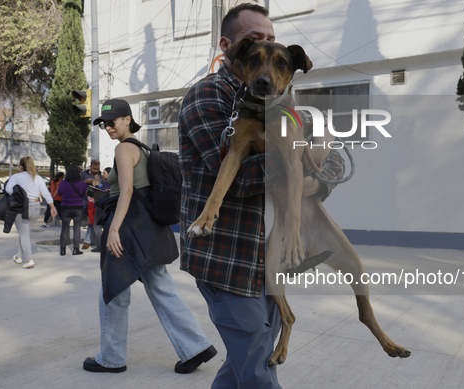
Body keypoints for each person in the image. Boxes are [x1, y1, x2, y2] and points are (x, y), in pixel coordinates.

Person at [178, 4, 344, 388]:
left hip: (267, 257)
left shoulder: (279, 102)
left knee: (242, 366)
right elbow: (237, 177)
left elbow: (329, 160)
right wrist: (303, 163)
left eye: (272, 42)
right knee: (257, 371)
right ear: (229, 47)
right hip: (228, 258)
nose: (266, 60)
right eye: (254, 45)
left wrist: (315, 172)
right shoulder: (208, 96)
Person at [83, 99, 216, 374]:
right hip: (149, 229)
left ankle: (111, 357)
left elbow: (128, 191)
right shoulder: (142, 149)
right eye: (104, 124)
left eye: (113, 121)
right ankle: (196, 347)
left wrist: (115, 229)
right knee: (162, 288)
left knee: (113, 291)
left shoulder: (123, 148)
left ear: (127, 119)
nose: (108, 127)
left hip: (129, 229)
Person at [6, 156, 57, 269]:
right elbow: (46, 194)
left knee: (24, 234)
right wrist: (52, 207)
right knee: (25, 233)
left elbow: (8, 190)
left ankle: (29, 259)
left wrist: (20, 194)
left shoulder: (16, 177)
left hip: (22, 207)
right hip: (35, 207)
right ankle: (19, 256)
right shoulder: (38, 178)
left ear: (20, 166)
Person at [57, 166, 88, 256]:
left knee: (65, 229)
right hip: (78, 208)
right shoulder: (82, 184)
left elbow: (59, 193)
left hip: (65, 208)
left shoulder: (62, 183)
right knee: (76, 229)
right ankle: (76, 249)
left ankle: (62, 250)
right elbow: (85, 194)